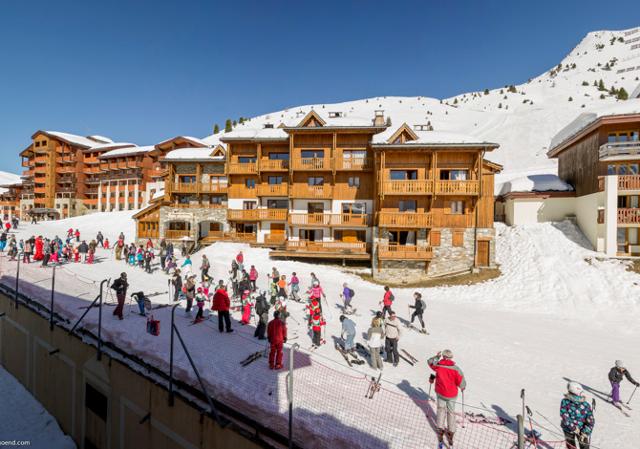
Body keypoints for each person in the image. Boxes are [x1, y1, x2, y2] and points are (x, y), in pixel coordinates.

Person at [427, 350, 466, 449]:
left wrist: (436, 356)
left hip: (440, 393)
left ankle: (440, 428)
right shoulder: (456, 369)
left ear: (443, 357)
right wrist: (462, 387)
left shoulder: (438, 365)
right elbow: (461, 382)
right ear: (451, 357)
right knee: (450, 412)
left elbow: (429, 361)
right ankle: (451, 430)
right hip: (451, 394)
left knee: (440, 409)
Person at [561, 382, 595, 449]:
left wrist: (585, 432)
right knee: (571, 445)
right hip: (568, 429)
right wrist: (573, 428)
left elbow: (590, 420)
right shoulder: (565, 402)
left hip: (582, 430)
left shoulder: (585, 405)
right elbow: (565, 417)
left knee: (584, 446)